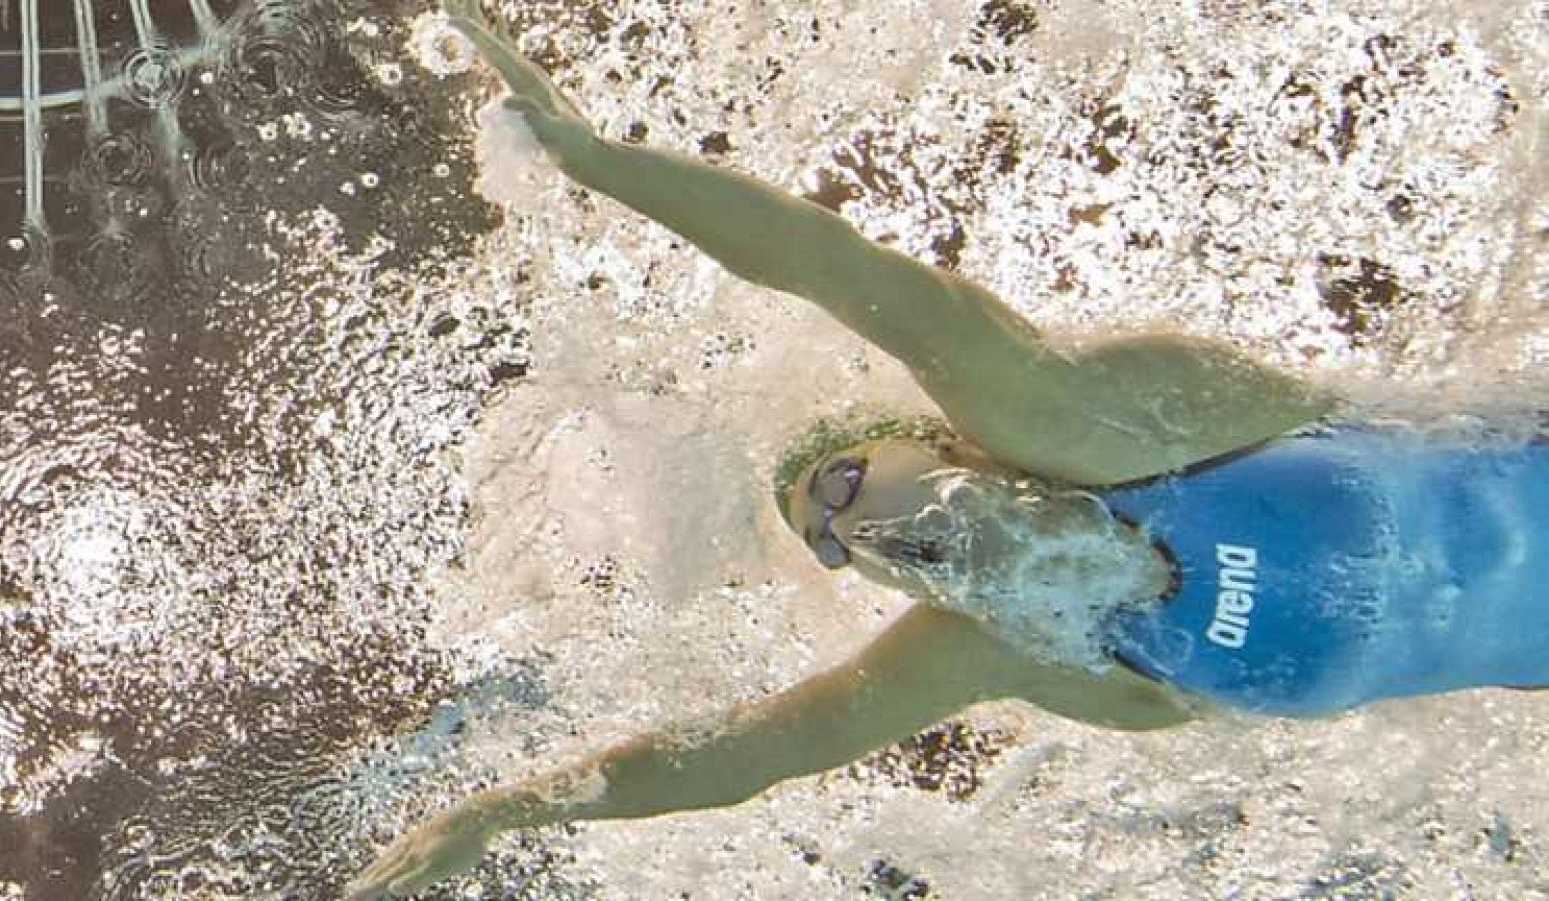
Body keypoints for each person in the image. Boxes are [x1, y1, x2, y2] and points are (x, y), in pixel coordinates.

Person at [349, 4, 1548, 897]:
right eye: (831, 545)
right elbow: (771, 748)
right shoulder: (1000, 649)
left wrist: (599, 161)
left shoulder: (1092, 418)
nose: (852, 531)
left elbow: (827, 265)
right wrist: (503, 813)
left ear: (930, 439)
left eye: (838, 485)